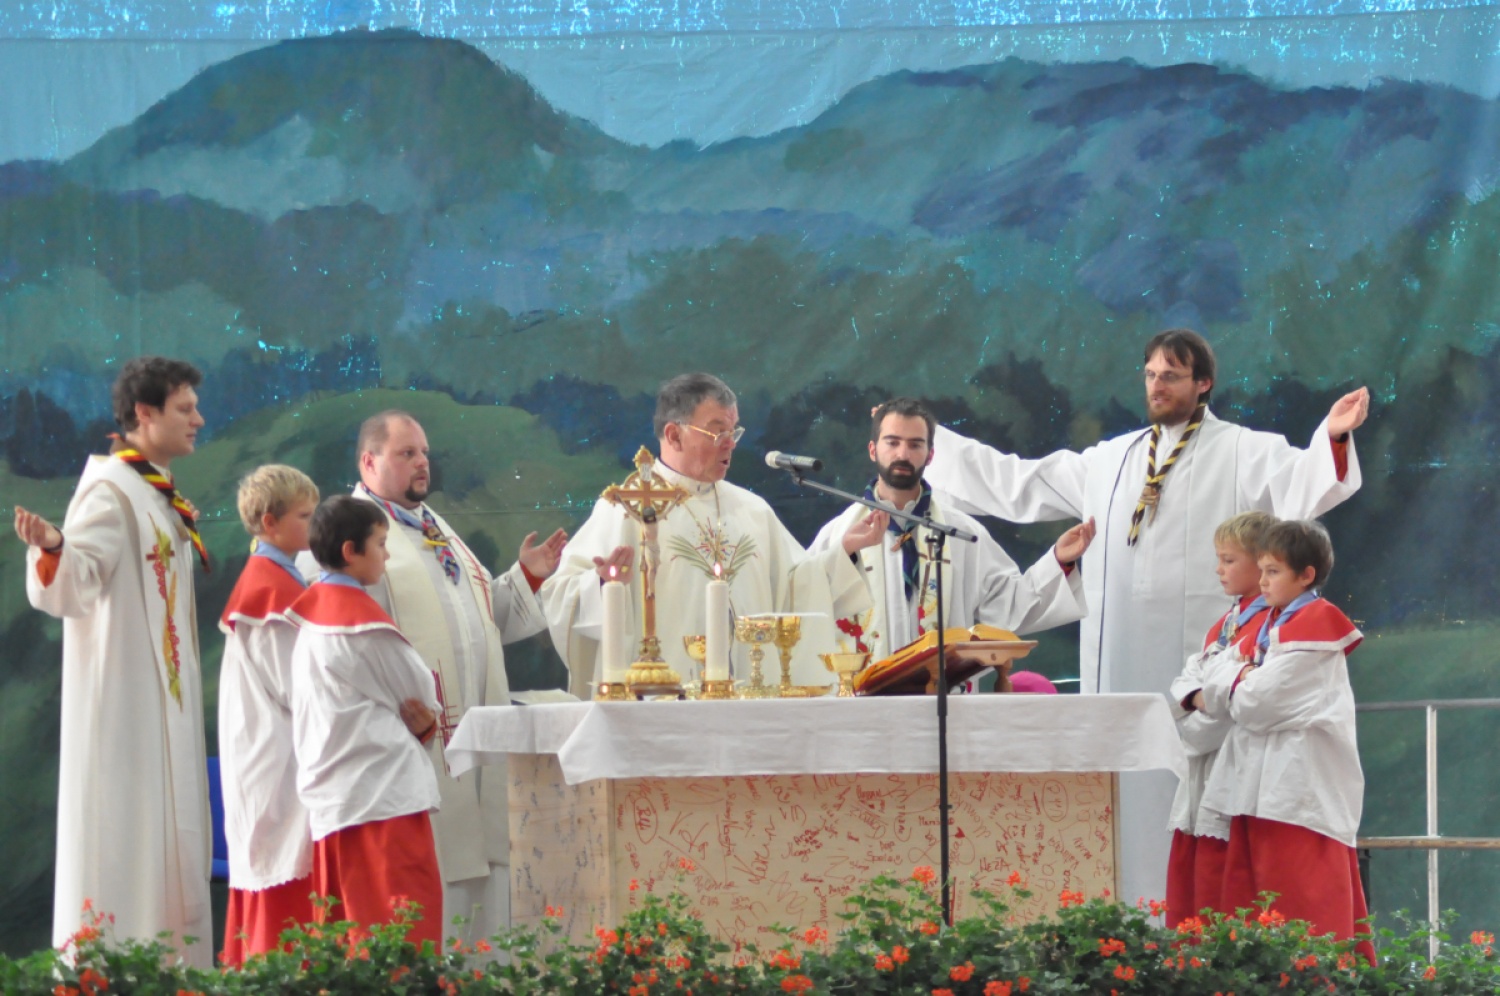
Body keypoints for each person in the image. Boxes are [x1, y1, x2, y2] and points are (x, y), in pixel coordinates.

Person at [923, 328, 1368, 904]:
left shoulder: (1240, 449)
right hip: (1120, 662)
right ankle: (1128, 924)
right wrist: (932, 444)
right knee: (1125, 795)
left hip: (1202, 666)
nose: (1158, 386)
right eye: (1151, 374)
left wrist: (1331, 435)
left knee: (1191, 793)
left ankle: (1194, 924)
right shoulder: (1111, 458)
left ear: (1202, 383)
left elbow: (1304, 482)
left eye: (1172, 376)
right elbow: (1018, 481)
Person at [323, 410, 567, 942]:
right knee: (434, 881)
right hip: (415, 740)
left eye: (424, 452)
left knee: (486, 872)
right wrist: (396, 712)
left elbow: (480, 628)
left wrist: (526, 576)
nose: (421, 462)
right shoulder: (361, 535)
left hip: (475, 739)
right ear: (369, 461)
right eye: (406, 453)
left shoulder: (434, 528)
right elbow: (354, 644)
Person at [13, 356, 213, 965]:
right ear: (144, 414)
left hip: (165, 708)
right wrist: (53, 548)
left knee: (166, 851)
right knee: (129, 850)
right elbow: (76, 581)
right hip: (127, 714)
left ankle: (175, 974)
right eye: (185, 409)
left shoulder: (152, 490)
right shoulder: (111, 489)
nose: (199, 420)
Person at [541, 373, 887, 693]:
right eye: (717, 432)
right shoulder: (625, 508)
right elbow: (559, 595)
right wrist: (601, 584)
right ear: (674, 434)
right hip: (663, 704)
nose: (730, 444)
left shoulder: (752, 510)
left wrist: (844, 553)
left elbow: (794, 589)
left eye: (733, 432)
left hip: (749, 698)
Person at [808, 397, 1094, 663]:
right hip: (864, 705)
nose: (902, 454)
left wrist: (1059, 560)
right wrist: (844, 555)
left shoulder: (961, 532)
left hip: (944, 703)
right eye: (892, 443)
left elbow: (1008, 607)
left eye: (915, 444)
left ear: (931, 455)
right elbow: (803, 604)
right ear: (873, 450)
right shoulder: (840, 535)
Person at [1197, 520, 1372, 957]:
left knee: (1304, 919)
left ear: (1306, 575)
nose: (1262, 581)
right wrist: (1241, 677)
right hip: (1258, 791)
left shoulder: (1315, 627)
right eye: (1262, 570)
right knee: (1255, 919)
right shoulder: (1270, 623)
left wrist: (1231, 678)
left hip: (1298, 799)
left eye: (1273, 571)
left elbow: (1256, 705)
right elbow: (1209, 679)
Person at [289, 496, 444, 949]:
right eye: (380, 543)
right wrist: (424, 725)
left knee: (349, 942)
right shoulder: (365, 627)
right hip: (383, 805)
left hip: (336, 804)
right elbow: (419, 695)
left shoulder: (311, 619)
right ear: (351, 551)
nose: (387, 553)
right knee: (401, 941)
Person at [218, 465, 319, 965]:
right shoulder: (269, 591)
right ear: (269, 521)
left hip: (279, 752)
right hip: (277, 760)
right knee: (285, 882)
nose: (314, 523)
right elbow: (296, 686)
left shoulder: (280, 577)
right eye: (305, 516)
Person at [1163, 510, 1275, 927]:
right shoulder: (1224, 625)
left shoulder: (1269, 624)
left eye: (1229, 560)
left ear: (1261, 562)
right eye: (1219, 558)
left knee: (1227, 883)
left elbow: (1233, 702)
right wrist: (1195, 701)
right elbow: (1188, 682)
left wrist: (1196, 712)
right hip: (1205, 757)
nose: (1218, 569)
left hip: (1235, 758)